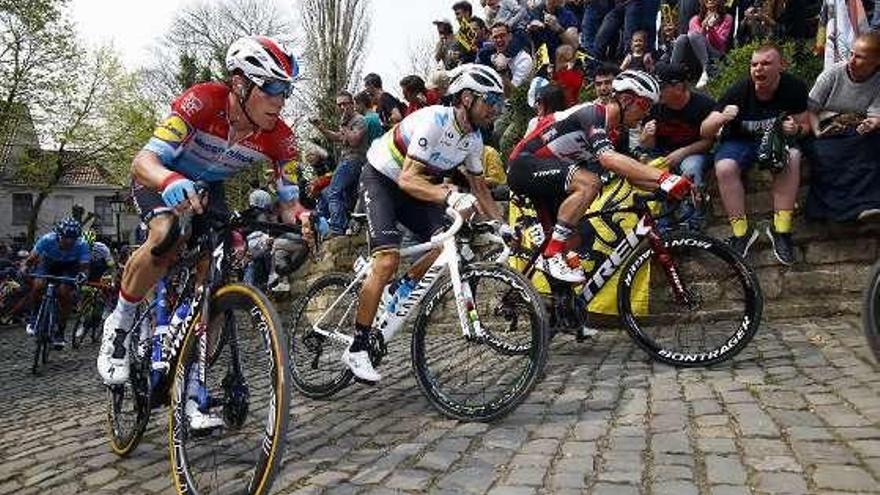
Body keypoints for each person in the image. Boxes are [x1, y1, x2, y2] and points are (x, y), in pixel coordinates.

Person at [96, 36, 308, 429]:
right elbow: (143, 159)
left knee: (214, 279)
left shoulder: (281, 136)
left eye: (287, 90)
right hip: (161, 179)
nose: (281, 100)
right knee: (168, 235)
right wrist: (169, 178)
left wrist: (303, 218)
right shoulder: (202, 100)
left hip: (209, 192)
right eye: (273, 88)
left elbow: (290, 201)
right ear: (241, 84)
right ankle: (120, 325)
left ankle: (192, 383)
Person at [342, 64, 509, 382]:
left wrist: (502, 226)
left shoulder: (473, 139)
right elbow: (406, 178)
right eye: (492, 101)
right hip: (382, 179)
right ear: (468, 98)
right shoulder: (435, 120)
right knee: (387, 259)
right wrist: (448, 197)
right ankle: (358, 347)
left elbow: (480, 189)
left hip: (413, 186)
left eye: (500, 104)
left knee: (450, 234)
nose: (496, 110)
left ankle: (401, 286)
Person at [507, 70, 693, 283]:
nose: (647, 113)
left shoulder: (611, 131)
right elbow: (608, 160)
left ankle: (559, 306)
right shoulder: (593, 114)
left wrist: (666, 188)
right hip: (523, 164)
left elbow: (629, 176)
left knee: (573, 239)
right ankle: (551, 254)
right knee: (589, 183)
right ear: (625, 99)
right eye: (644, 105)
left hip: (547, 175)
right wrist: (664, 178)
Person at [700, 44, 809, 265]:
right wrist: (721, 118)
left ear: (781, 66)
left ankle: (781, 230)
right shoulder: (739, 91)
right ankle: (741, 233)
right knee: (724, 168)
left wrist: (796, 129)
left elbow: (805, 125)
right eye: (754, 64)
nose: (758, 69)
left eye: (766, 63)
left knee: (792, 157)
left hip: (774, 141)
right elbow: (705, 130)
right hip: (739, 141)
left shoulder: (794, 87)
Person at [805, 32, 880, 221]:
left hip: (857, 129)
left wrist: (873, 123)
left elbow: (875, 114)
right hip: (827, 128)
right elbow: (810, 109)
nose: (852, 61)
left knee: (870, 148)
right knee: (827, 155)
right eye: (852, 54)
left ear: (876, 61)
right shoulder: (833, 74)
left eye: (860, 57)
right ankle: (832, 210)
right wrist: (817, 132)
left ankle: (867, 206)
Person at [640, 62, 716, 230]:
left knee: (691, 167)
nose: (656, 92)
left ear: (679, 87)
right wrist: (646, 135)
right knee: (650, 172)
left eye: (661, 87)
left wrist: (682, 153)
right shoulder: (654, 107)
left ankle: (693, 220)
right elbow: (647, 146)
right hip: (663, 154)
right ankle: (664, 224)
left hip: (694, 152)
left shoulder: (704, 105)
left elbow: (710, 141)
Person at [12, 218, 90, 347]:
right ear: (58, 235)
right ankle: (34, 317)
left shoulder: (82, 245)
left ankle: (60, 331)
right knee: (38, 285)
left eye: (73, 238)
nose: (69, 241)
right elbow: (30, 260)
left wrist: (82, 276)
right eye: (66, 237)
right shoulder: (47, 240)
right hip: (48, 264)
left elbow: (84, 267)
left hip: (69, 267)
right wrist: (24, 268)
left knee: (64, 293)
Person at [313, 91, 368, 237]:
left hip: (354, 160)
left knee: (333, 191)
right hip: (346, 160)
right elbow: (338, 138)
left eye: (345, 103)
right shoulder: (347, 122)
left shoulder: (359, 120)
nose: (342, 107)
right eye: (339, 105)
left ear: (352, 104)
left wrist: (344, 126)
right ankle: (349, 226)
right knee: (346, 195)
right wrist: (322, 129)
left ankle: (337, 228)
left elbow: (355, 140)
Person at [670, 0, 733, 89]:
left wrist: (711, 30)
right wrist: (704, 28)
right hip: (697, 55)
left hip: (716, 55)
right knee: (682, 38)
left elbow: (719, 44)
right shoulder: (694, 20)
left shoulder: (727, 18)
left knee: (693, 34)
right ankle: (672, 72)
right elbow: (695, 40)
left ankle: (707, 70)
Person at [478, 22, 535, 91]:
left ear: (510, 36)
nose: (499, 40)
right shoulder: (491, 54)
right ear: (491, 40)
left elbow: (512, 94)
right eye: (495, 37)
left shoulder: (523, 59)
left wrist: (503, 72)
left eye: (502, 36)